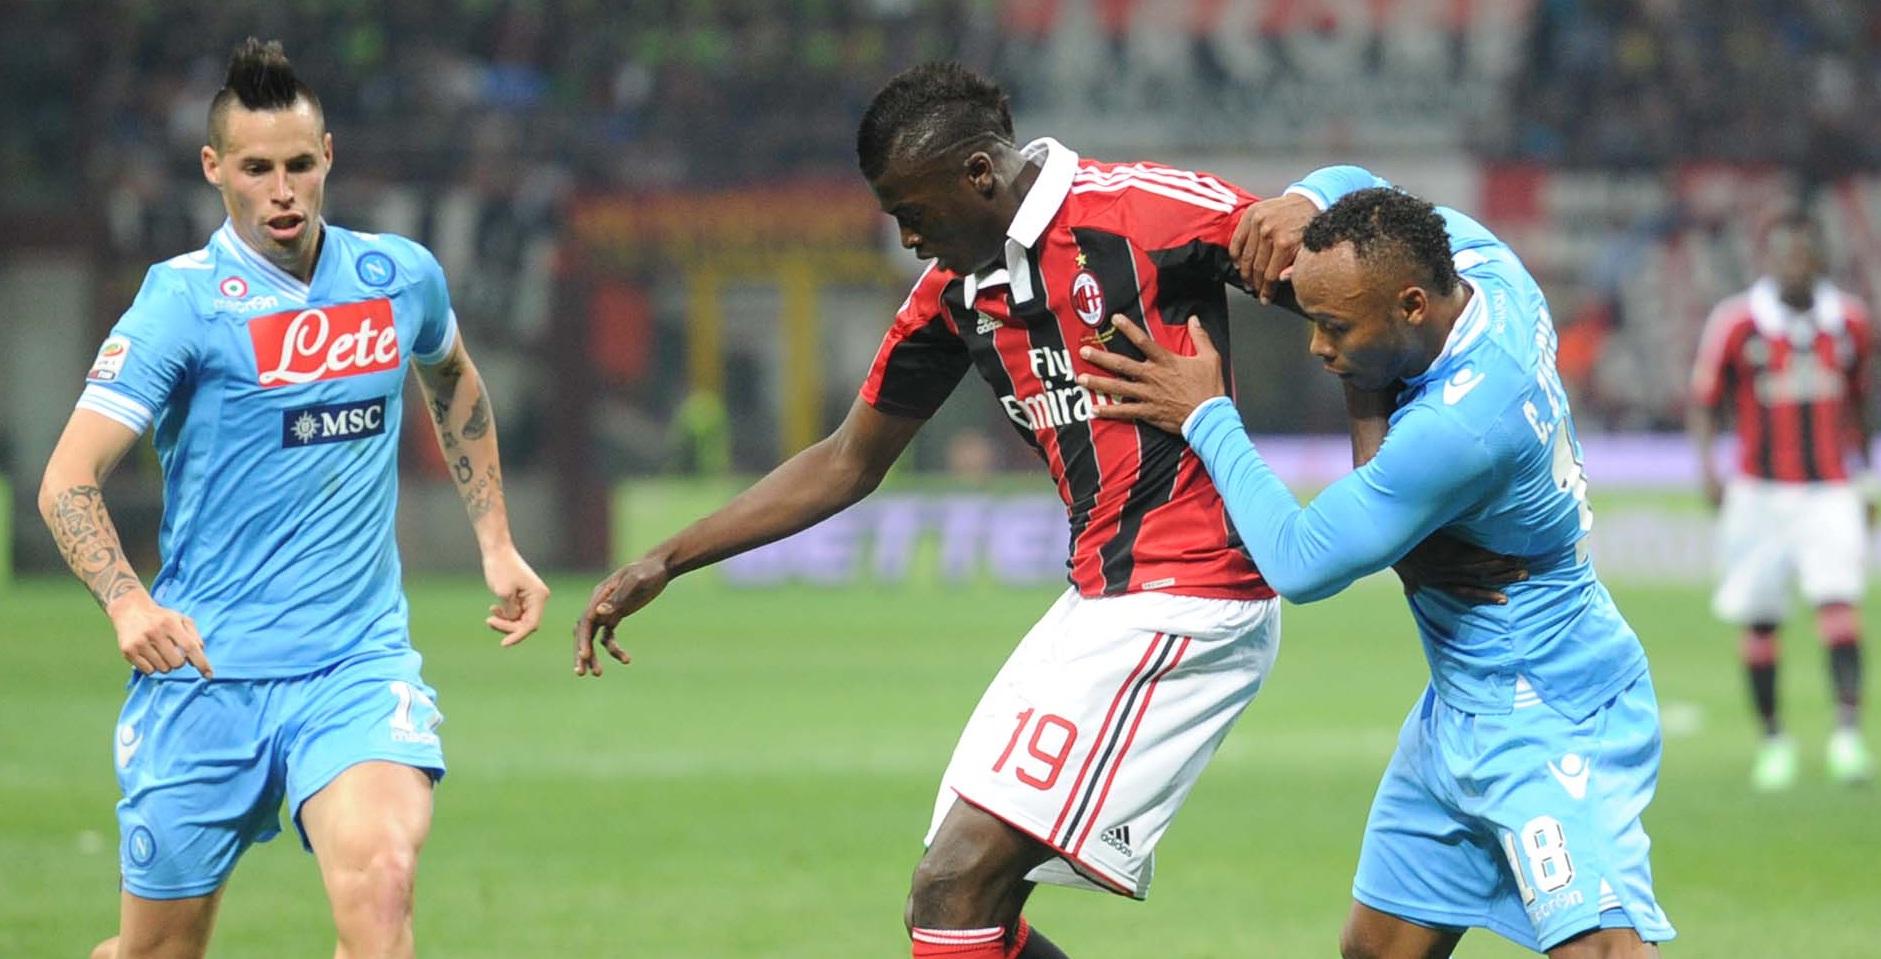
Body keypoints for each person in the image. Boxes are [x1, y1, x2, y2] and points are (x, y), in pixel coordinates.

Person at [574, 63, 1506, 959]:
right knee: (949, 901)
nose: (908, 237)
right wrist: (667, 558)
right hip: (1096, 596)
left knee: (956, 883)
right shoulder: (954, 295)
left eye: (912, 212)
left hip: (1192, 595)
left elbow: (1355, 302)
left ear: (978, 173)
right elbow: (846, 460)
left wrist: (1381, 488)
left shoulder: (1147, 214)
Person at [38, 39, 548, 959]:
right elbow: (66, 480)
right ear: (214, 168)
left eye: (300, 165)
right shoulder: (180, 303)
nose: (282, 190)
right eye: (257, 169)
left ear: (329, 158)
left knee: (382, 881)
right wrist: (126, 601)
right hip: (204, 674)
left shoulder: (398, 277)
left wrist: (495, 541)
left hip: (353, 666)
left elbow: (453, 379)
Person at [1077, 175, 1676, 957]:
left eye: (1334, 327)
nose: (1316, 346)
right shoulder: (1485, 266)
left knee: (1598, 949)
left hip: (1542, 703)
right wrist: (1305, 198)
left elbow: (1300, 561)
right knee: (1376, 949)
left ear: (1411, 307)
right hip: (1460, 700)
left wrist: (1206, 413)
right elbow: (1371, 193)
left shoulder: (1462, 424)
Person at [1688, 211, 1872, 789]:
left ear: (1818, 260)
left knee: (1839, 606)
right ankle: (1774, 742)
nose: (1792, 264)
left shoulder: (1850, 321)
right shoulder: (1737, 322)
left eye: (1802, 253)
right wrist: (1708, 469)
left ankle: (1847, 737)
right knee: (1761, 620)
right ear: (1767, 259)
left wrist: (1867, 472)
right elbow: (1704, 398)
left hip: (1830, 488)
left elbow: (1863, 401)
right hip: (1757, 491)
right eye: (1782, 253)